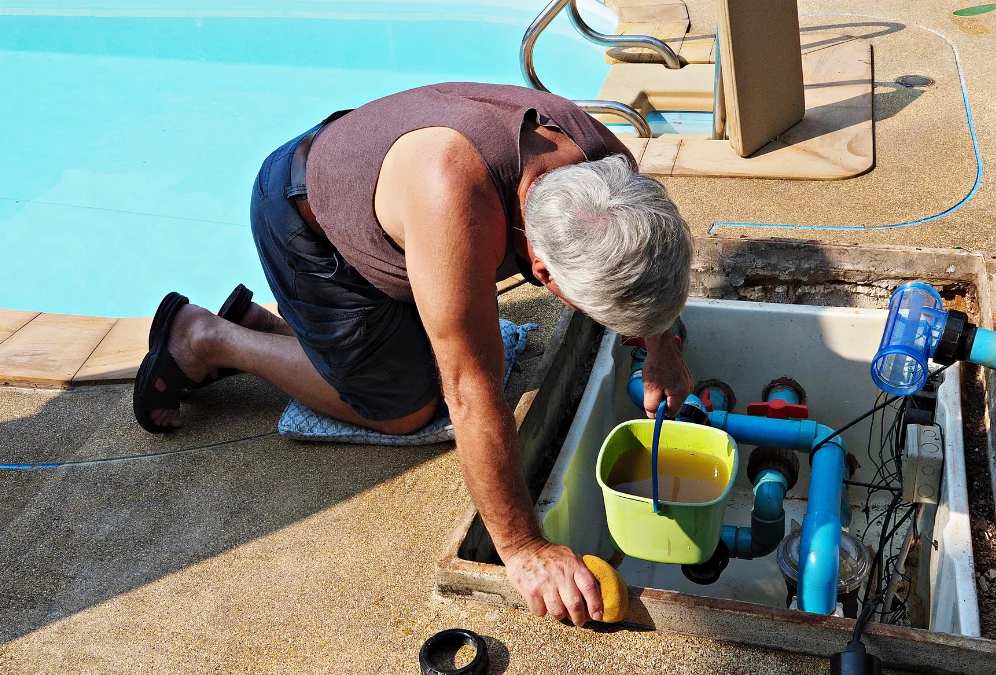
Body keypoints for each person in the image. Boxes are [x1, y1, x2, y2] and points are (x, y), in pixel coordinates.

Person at [133, 82, 694, 626]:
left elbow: (653, 269)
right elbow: (471, 389)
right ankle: (209, 338)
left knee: (434, 341)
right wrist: (523, 548)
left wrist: (661, 349)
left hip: (382, 185)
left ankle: (282, 333)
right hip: (310, 226)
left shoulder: (609, 170)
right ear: (543, 274)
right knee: (406, 409)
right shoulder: (454, 197)